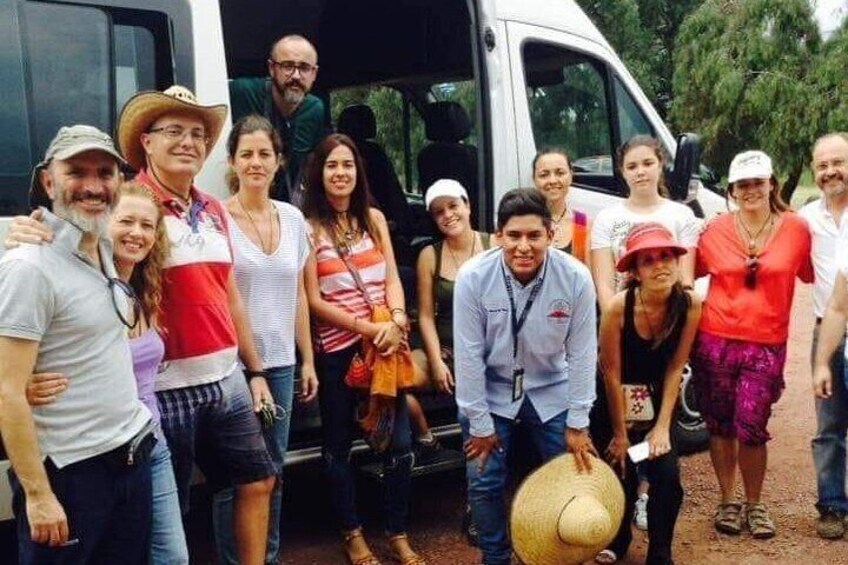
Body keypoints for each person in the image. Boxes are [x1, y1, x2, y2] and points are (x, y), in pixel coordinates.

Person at [118, 86, 277, 564]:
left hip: (225, 378)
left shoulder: (212, 209)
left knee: (259, 479)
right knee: (168, 508)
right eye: (174, 131)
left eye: (197, 134)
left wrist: (254, 370)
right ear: (146, 141)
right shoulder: (130, 205)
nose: (188, 142)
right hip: (163, 388)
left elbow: (229, 294)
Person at [0, 126, 154, 564]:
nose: (93, 185)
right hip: (72, 475)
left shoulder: (101, 247)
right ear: (48, 182)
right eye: (76, 172)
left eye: (105, 173)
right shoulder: (29, 267)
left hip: (130, 457)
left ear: (119, 183)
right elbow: (7, 391)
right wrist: (38, 495)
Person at [19, 181, 189, 564]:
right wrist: (19, 383)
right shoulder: (59, 274)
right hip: (85, 456)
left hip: (148, 441)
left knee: (170, 557)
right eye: (125, 221)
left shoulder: (142, 288)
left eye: (147, 225)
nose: (136, 233)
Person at [454, 187, 598, 565]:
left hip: (552, 387)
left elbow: (583, 354)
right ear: (497, 235)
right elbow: (468, 357)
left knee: (568, 476)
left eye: (534, 236)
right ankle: (495, 557)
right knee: (484, 480)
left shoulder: (576, 278)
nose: (523, 247)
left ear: (551, 234)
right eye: (513, 235)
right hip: (492, 389)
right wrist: (479, 423)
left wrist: (579, 421)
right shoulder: (473, 277)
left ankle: (555, 554)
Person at [302, 133, 425, 565]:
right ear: (319, 173)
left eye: (348, 165)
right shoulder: (308, 229)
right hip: (338, 352)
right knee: (337, 448)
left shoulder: (373, 219)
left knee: (400, 445)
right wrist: (367, 328)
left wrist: (397, 319)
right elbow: (313, 300)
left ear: (358, 172)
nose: (340, 173)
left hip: (384, 348)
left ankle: (397, 532)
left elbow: (391, 277)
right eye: (332, 165)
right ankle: (353, 534)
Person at [212, 114, 320, 565]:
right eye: (246, 154)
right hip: (233, 366)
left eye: (264, 154)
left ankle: (266, 557)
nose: (255, 163)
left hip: (280, 363)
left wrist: (307, 359)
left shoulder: (292, 218)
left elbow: (298, 294)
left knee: (272, 470)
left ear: (279, 161)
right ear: (232, 162)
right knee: (234, 476)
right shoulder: (217, 218)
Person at [692, 150, 813, 539]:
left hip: (766, 344)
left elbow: (817, 274)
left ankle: (755, 503)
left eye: (758, 182)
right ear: (731, 189)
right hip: (715, 340)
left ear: (771, 184)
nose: (750, 190)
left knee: (752, 427)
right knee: (720, 425)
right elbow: (685, 273)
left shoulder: (797, 229)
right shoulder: (713, 230)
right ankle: (728, 500)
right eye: (742, 184)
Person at [593, 223, 702, 565]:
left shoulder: (690, 304)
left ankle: (660, 550)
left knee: (666, 476)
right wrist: (620, 435)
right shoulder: (618, 307)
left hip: (657, 401)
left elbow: (676, 366)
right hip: (613, 401)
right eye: (648, 260)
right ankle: (618, 539)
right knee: (620, 469)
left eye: (666, 256)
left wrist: (662, 427)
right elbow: (610, 373)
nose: (660, 266)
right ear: (635, 271)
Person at [410, 179, 492, 454]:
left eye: (453, 206)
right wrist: (436, 362)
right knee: (392, 377)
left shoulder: (494, 245)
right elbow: (425, 317)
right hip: (447, 350)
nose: (448, 215)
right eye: (439, 212)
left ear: (467, 206)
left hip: (489, 353)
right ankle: (426, 438)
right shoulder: (429, 255)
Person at [591, 135, 700, 310]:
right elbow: (605, 286)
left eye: (648, 163)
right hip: (623, 316)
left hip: (672, 315)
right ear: (623, 172)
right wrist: (614, 319)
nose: (640, 172)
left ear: (660, 165)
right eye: (632, 167)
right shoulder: (606, 219)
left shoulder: (683, 215)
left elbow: (686, 281)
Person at [801, 132, 848, 538]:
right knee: (828, 425)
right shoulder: (806, 219)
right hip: (827, 330)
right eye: (823, 165)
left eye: (839, 162)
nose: (831, 171)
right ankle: (832, 505)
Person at [230, 34, 327, 205]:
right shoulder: (242, 92)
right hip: (238, 202)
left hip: (287, 208)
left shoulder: (315, 109)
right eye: (287, 66)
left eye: (304, 68)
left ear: (314, 73)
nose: (296, 76)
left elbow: (314, 167)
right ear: (271, 68)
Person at [532, 147, 590, 263]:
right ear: (534, 179)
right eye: (544, 175)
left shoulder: (583, 223)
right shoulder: (522, 222)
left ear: (571, 175)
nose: (552, 180)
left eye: (560, 173)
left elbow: (588, 272)